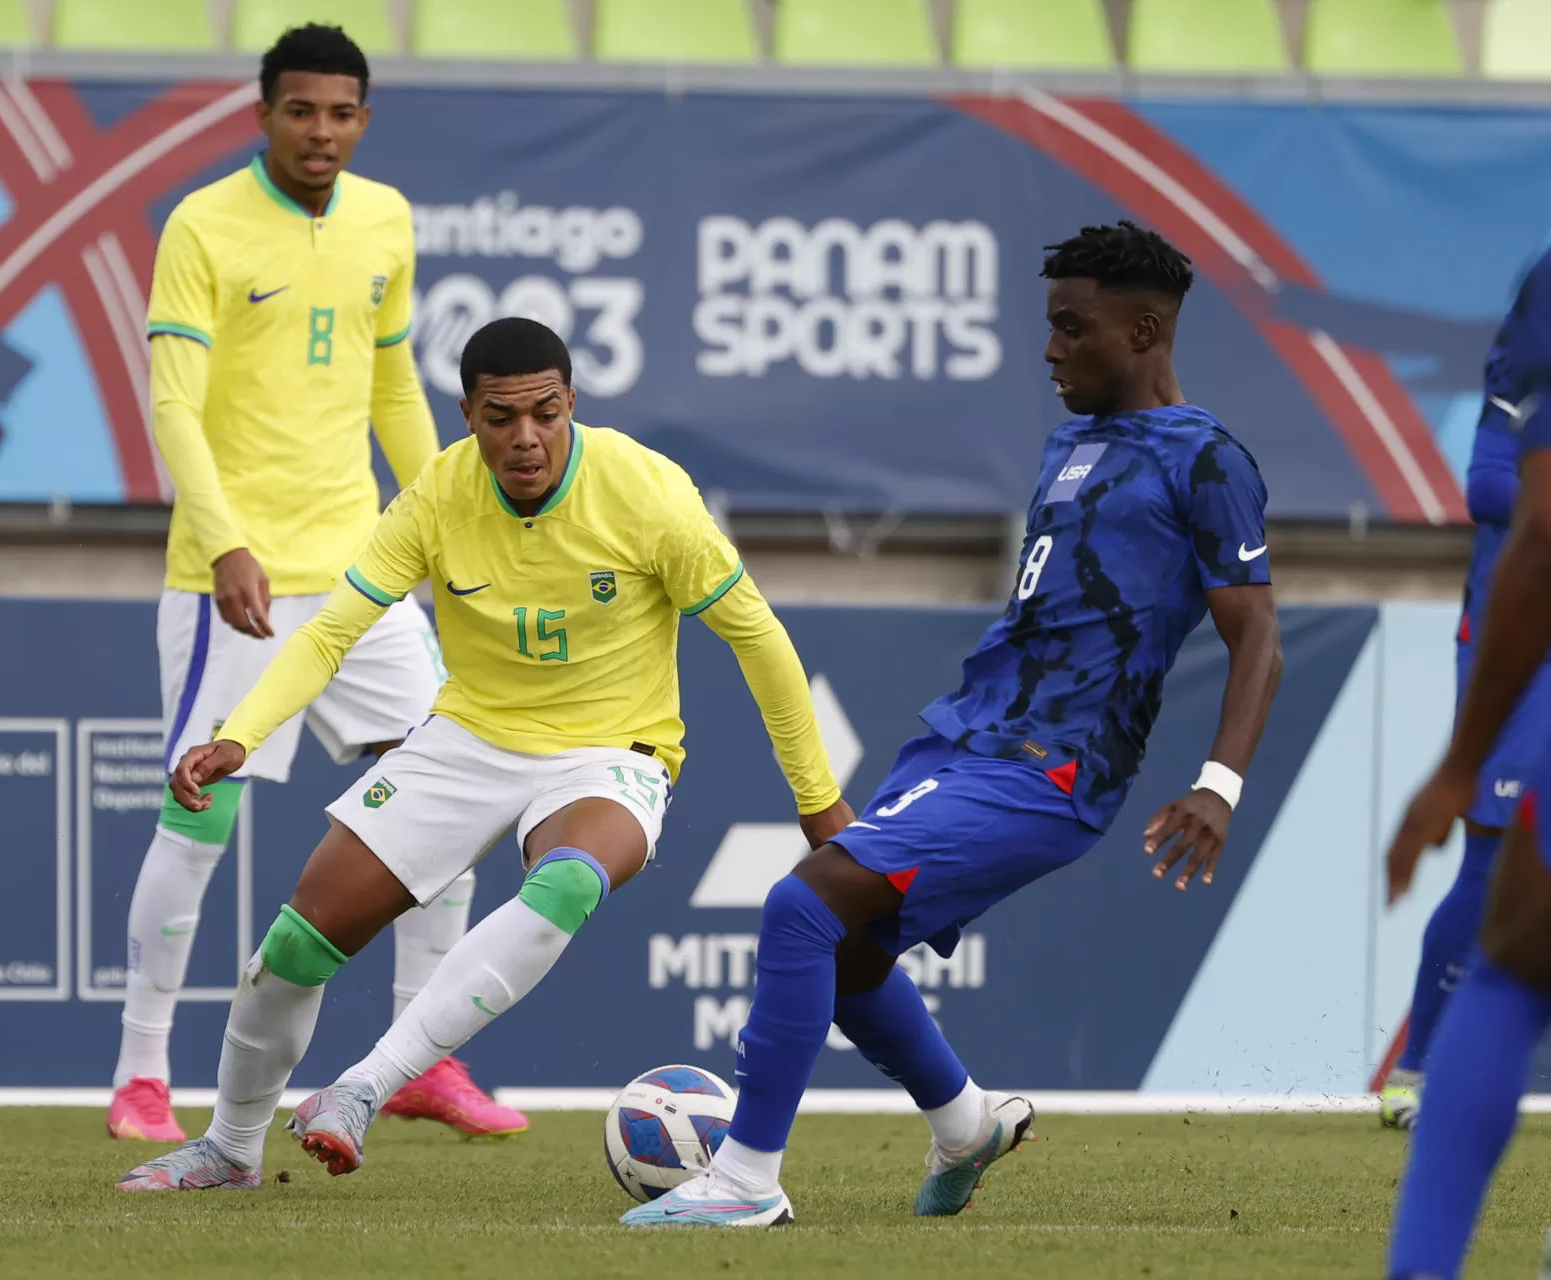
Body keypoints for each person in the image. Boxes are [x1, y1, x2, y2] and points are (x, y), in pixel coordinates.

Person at [626, 222, 1284, 1229]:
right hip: (966, 738)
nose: (1052, 348)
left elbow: (1259, 637)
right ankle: (968, 1120)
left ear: (1146, 329)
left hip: (1050, 769)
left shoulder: (1207, 459)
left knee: (800, 906)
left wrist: (1219, 782)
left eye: (1074, 328)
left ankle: (747, 1176)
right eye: (1051, 326)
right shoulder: (1077, 439)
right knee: (843, 950)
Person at [115, 317, 853, 1192]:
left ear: (571, 400)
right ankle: (231, 1149)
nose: (527, 438)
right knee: (294, 948)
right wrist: (240, 733)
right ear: (468, 415)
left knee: (571, 879)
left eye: (546, 411)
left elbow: (759, 640)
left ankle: (363, 1090)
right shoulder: (437, 494)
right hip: (466, 738)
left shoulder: (648, 492)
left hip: (611, 750)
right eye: (502, 417)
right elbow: (332, 633)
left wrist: (818, 798)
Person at [110, 23, 522, 1143]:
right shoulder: (203, 224)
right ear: (264, 115)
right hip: (229, 580)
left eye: (342, 113)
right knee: (202, 813)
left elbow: (394, 385)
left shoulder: (385, 219)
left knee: (444, 798)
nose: (322, 132)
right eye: (302, 111)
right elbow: (171, 405)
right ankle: (143, 1072)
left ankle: (426, 1059)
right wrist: (224, 539)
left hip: (361, 573)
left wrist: (445, 516)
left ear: (364, 120)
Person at [1383, 246, 1551, 1280]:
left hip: (1524, 628)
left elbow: (1535, 522)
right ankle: (1412, 1065)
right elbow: (1494, 484)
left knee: (1518, 952)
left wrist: (1450, 766)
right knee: (1499, 888)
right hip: (1518, 647)